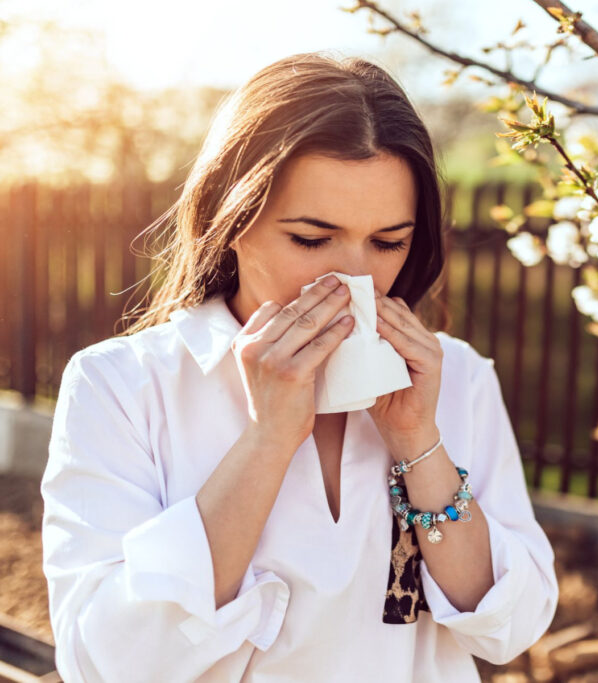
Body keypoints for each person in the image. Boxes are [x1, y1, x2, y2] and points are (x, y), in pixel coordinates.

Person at [39, 51, 559, 682]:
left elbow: (512, 626)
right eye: (312, 239)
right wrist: (268, 440)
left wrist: (419, 443)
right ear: (230, 220)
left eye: (388, 241)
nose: (354, 276)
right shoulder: (122, 384)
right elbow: (106, 663)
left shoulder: (459, 378)